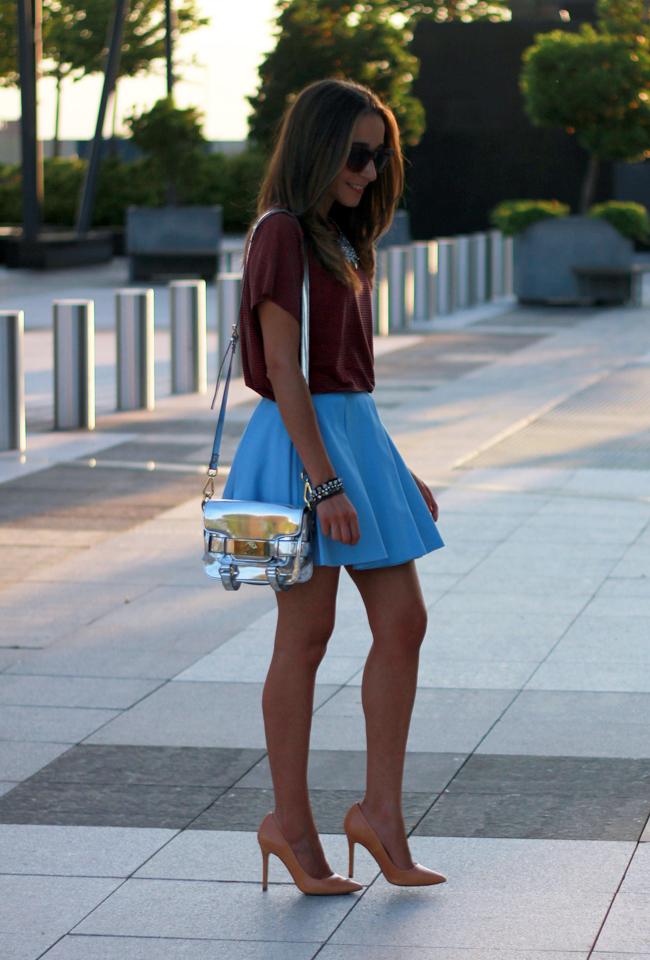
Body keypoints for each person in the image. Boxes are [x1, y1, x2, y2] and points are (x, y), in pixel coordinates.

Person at [222, 77, 447, 895]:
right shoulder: (280, 233)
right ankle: (290, 824)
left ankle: (379, 815)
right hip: (296, 451)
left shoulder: (342, 238)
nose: (368, 171)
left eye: (379, 158)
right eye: (357, 155)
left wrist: (393, 470)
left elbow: (347, 377)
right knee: (304, 636)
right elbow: (283, 372)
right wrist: (326, 488)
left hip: (353, 439)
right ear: (318, 147)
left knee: (405, 621)